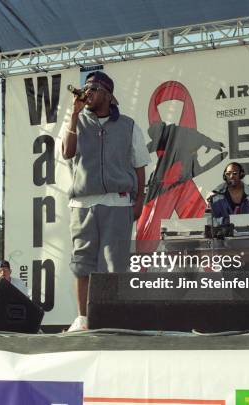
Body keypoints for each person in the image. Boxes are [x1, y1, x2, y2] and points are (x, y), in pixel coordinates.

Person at [61, 71, 150, 331]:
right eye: (85, 87)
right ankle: (83, 318)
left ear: (109, 96)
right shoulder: (75, 119)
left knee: (115, 264)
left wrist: (140, 200)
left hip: (118, 202)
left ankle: (112, 317)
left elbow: (140, 165)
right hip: (82, 203)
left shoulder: (128, 125)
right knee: (82, 263)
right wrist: (75, 115)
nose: (87, 92)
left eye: (94, 88)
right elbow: (67, 152)